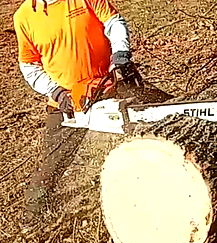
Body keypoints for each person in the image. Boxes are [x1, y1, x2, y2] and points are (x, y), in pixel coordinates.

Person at [14, 0, 141, 216]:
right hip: (67, 101)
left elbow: (113, 21)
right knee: (53, 161)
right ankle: (33, 215)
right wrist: (56, 92)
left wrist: (120, 53)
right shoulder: (24, 16)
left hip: (108, 85)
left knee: (163, 113)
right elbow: (29, 65)